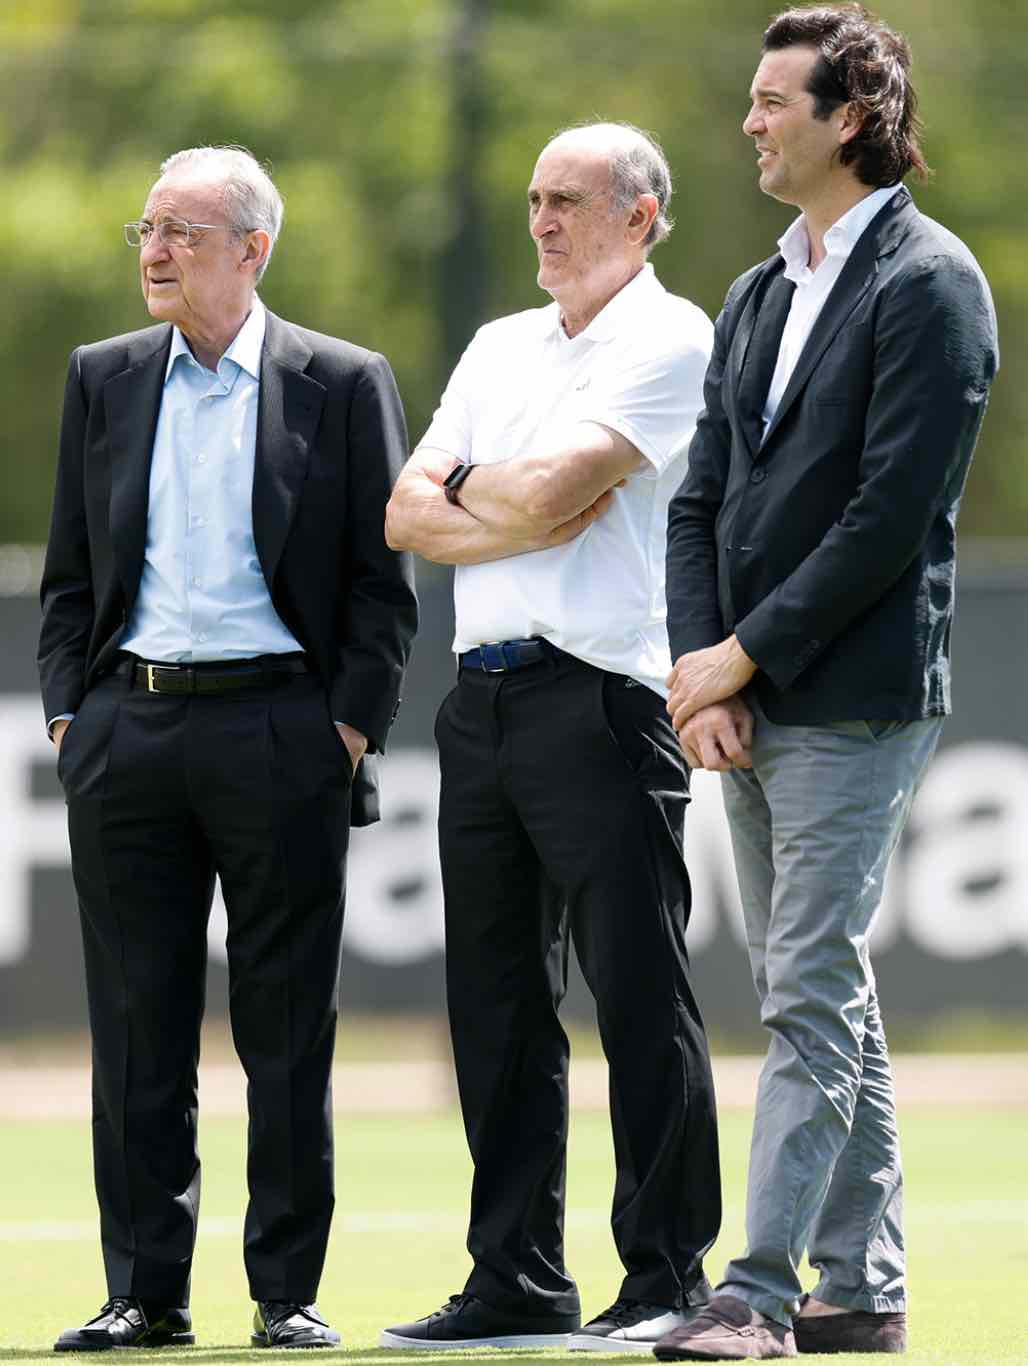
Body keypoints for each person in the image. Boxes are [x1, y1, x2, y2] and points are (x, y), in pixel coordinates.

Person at [654, 6, 998, 1361]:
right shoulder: (757, 291)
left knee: (804, 986)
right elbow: (700, 498)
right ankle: (861, 1288)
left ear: (847, 118)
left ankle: (756, 1293)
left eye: (770, 101)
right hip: (749, 691)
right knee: (818, 987)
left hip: (855, 692)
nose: (748, 121)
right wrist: (708, 675)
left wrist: (745, 652)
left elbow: (887, 516)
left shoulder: (932, 282)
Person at [39, 145, 417, 1352]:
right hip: (128, 730)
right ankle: (143, 1293)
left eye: (182, 233)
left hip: (281, 731)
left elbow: (382, 588)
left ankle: (285, 1293)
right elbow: (69, 575)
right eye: (147, 230)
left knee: (287, 1029)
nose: (153, 252)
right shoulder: (101, 376)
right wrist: (70, 719)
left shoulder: (343, 381)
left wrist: (343, 732)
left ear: (253, 250)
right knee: (135, 1028)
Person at [378, 122, 721, 1354]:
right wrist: (516, 505)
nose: (540, 220)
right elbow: (404, 512)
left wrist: (490, 494)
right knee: (495, 1004)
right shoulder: (496, 344)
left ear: (639, 216)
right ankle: (514, 1277)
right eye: (532, 198)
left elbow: (529, 491)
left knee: (637, 992)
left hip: (603, 697)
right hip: (478, 700)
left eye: (567, 199)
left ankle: (667, 1278)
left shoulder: (670, 336)